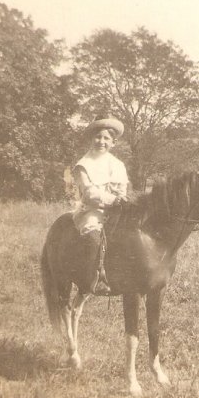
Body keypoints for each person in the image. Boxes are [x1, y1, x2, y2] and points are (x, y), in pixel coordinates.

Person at [72, 117, 129, 296]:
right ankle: (92, 278)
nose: (101, 142)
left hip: (117, 210)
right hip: (92, 210)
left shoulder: (118, 165)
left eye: (106, 139)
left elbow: (122, 189)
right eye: (98, 137)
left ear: (113, 142)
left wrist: (122, 200)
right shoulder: (83, 165)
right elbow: (89, 194)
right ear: (91, 139)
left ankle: (130, 275)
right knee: (93, 235)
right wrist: (114, 200)